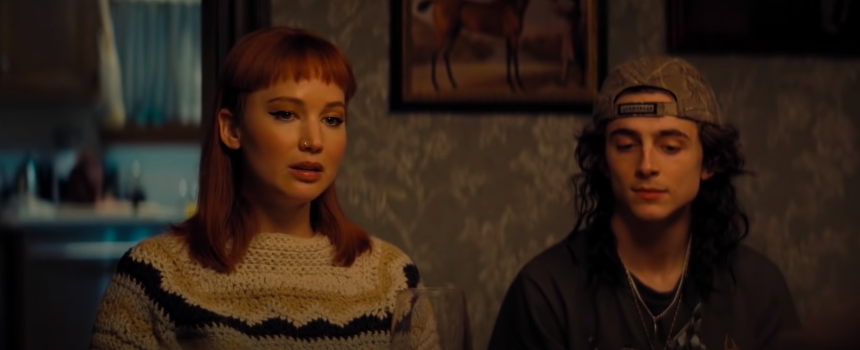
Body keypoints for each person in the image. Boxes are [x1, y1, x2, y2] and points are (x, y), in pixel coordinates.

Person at [89, 27, 426, 350]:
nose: (313, 141)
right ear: (232, 129)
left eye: (332, 119)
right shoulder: (153, 278)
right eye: (285, 114)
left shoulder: (392, 277)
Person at [487, 56, 801, 350]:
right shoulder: (546, 292)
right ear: (603, 162)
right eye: (626, 145)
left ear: (708, 163)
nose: (646, 165)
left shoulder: (758, 288)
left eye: (670, 147)